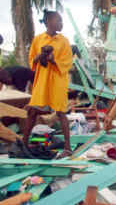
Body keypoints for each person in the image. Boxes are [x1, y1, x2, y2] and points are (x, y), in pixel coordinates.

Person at [22, 9, 73, 158]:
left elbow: (67, 62)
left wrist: (52, 59)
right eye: (58, 20)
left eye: (61, 21)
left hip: (57, 80)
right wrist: (39, 57)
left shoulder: (64, 41)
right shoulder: (38, 39)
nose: (61, 23)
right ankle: (24, 143)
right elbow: (32, 60)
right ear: (48, 22)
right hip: (42, 80)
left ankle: (68, 148)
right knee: (32, 111)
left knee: (61, 113)